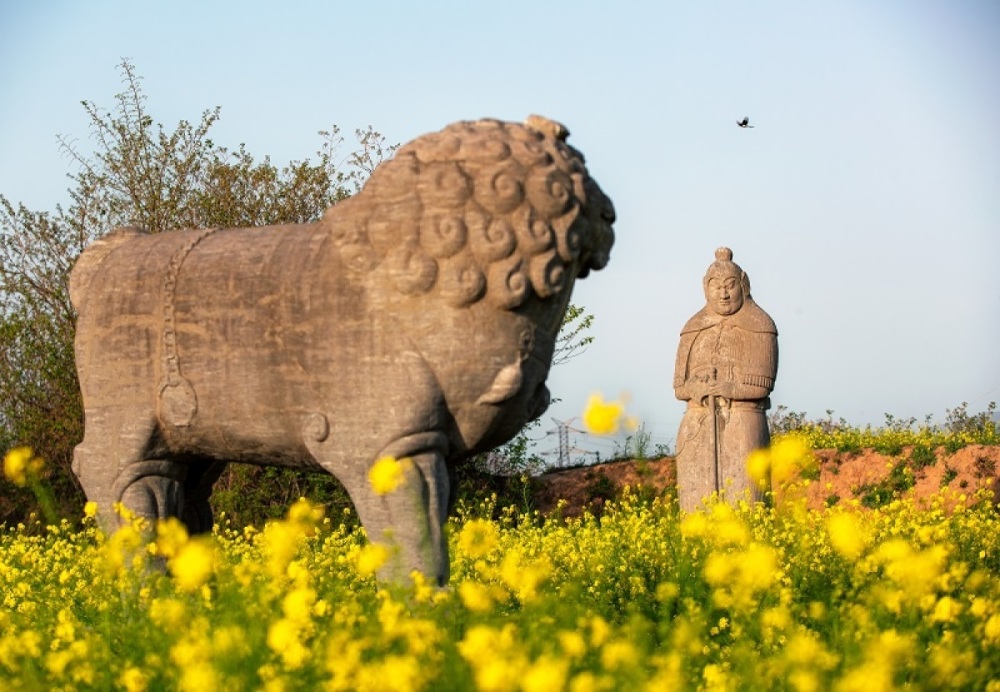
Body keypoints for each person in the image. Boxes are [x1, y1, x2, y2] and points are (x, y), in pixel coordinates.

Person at [673, 247, 778, 511]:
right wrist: (696, 387)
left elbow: (762, 386)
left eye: (730, 285)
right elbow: (679, 387)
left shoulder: (760, 325)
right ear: (705, 287)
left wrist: (726, 387)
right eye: (716, 286)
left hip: (742, 420)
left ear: (743, 285)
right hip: (698, 422)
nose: (723, 294)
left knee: (744, 501)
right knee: (697, 506)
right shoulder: (693, 328)